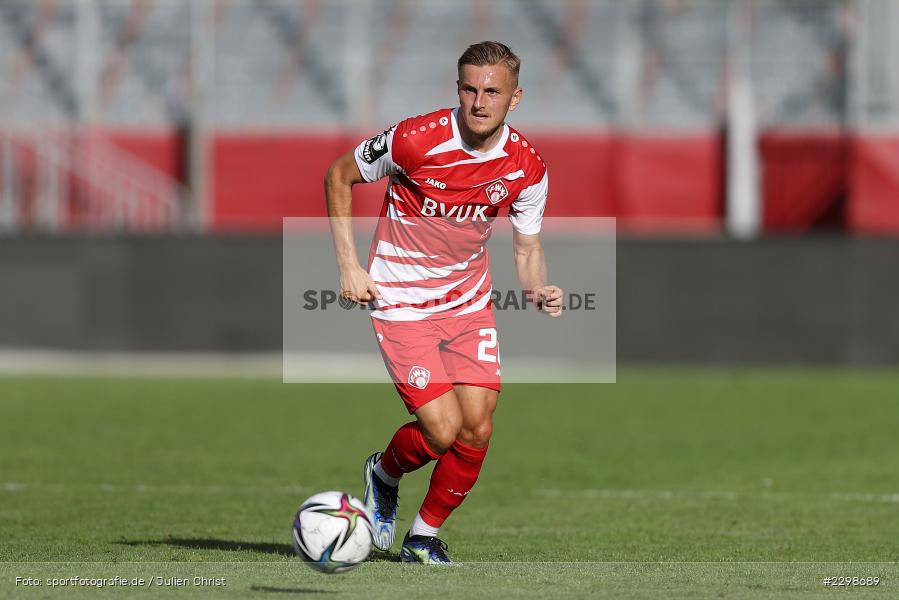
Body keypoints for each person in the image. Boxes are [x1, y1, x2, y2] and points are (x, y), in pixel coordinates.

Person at [324, 41, 563, 565]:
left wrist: (536, 287)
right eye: (469, 89)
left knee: (478, 425)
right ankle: (384, 474)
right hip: (402, 302)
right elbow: (338, 175)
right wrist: (348, 265)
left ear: (514, 98)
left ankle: (423, 536)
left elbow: (527, 247)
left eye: (492, 92)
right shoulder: (414, 139)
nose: (479, 102)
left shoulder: (526, 168)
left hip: (466, 303)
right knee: (441, 429)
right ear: (458, 89)